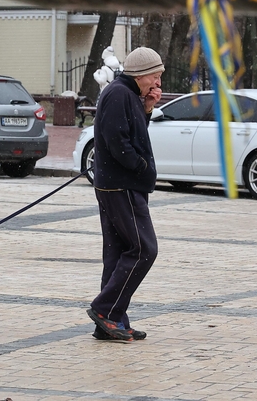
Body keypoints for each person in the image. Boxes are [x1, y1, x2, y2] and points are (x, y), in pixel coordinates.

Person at [86, 46, 164, 342]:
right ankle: (105, 311)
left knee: (118, 254)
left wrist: (146, 109)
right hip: (122, 186)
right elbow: (117, 139)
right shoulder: (119, 93)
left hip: (118, 184)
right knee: (144, 249)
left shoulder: (128, 95)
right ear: (141, 74)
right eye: (155, 76)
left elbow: (131, 131)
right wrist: (140, 167)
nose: (157, 82)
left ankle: (110, 321)